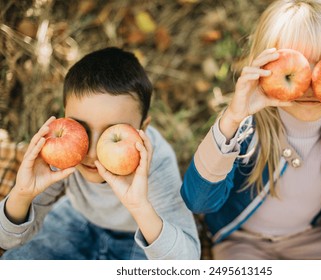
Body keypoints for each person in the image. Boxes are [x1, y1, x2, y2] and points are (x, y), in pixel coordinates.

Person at [181, 0, 321, 260]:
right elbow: (198, 202)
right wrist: (232, 118)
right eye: (296, 65)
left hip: (309, 237)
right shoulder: (246, 130)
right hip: (241, 241)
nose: (312, 82)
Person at [0, 47, 200, 260]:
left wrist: (139, 206)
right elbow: (6, 241)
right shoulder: (62, 150)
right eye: (81, 129)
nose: (93, 152)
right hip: (78, 219)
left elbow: (186, 263)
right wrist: (22, 194)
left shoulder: (158, 162)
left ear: (144, 128)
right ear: (65, 119)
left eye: (111, 133)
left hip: (140, 235)